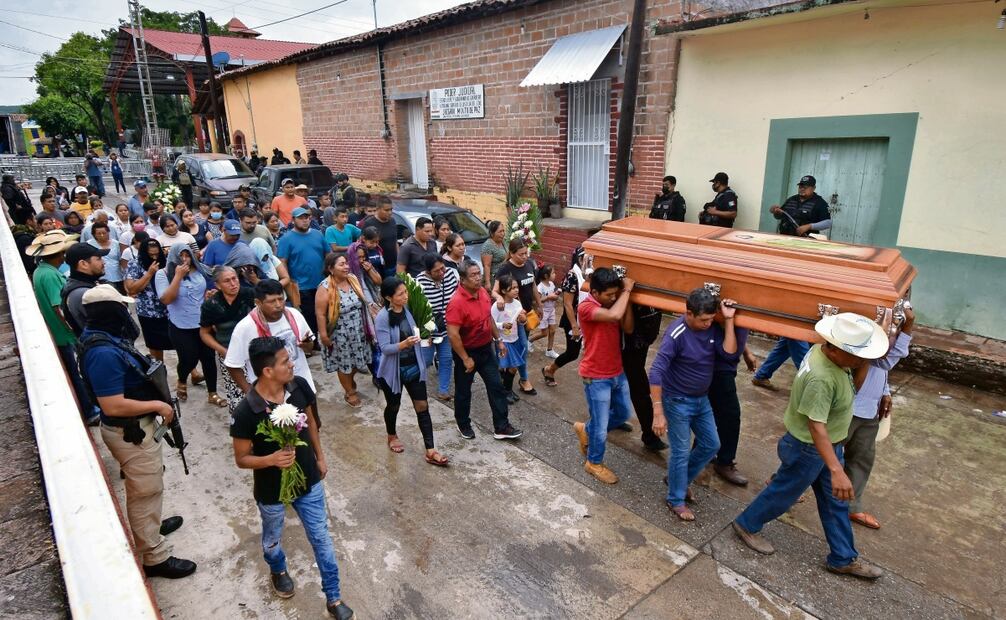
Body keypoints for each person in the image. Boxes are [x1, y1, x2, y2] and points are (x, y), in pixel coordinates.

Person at [732, 313, 888, 580]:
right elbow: (817, 427)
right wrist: (836, 469)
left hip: (825, 447)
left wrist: (868, 355)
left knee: (835, 502)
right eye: (858, 355)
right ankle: (746, 525)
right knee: (784, 494)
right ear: (838, 350)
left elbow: (854, 386)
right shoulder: (821, 379)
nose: (862, 361)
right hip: (810, 448)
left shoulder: (826, 353)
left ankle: (842, 557)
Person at [229, 336, 353, 620]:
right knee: (272, 538)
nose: (292, 364)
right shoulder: (246, 411)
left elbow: (311, 425)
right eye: (285, 361)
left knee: (321, 538)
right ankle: (277, 568)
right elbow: (241, 459)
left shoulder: (298, 387)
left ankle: (334, 598)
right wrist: (271, 460)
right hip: (272, 489)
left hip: (308, 480)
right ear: (267, 371)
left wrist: (320, 458)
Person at [78, 284, 195, 579]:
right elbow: (113, 404)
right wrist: (158, 404)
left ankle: (150, 528)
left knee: (149, 487)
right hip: (130, 432)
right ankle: (154, 556)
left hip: (136, 429)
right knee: (145, 491)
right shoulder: (102, 352)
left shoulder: (104, 339)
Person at [649, 288, 733, 521]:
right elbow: (656, 372)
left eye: (711, 319)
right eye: (704, 319)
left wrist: (728, 319)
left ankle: (679, 479)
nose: (708, 324)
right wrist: (658, 411)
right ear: (689, 313)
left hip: (701, 400)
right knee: (681, 452)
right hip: (677, 402)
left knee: (711, 444)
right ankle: (675, 499)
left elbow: (728, 353)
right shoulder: (676, 334)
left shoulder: (713, 327)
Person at [844, 304, 914, 530]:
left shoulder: (884, 325)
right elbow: (882, 359)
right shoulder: (863, 325)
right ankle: (782, 485)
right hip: (849, 408)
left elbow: (880, 369)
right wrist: (909, 327)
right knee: (815, 454)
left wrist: (885, 392)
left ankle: (851, 507)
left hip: (869, 408)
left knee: (861, 458)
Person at [569, 268, 636, 484]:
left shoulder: (613, 303)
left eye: (615, 294)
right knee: (601, 427)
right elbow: (614, 315)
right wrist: (626, 291)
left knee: (624, 413)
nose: (613, 297)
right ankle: (593, 462)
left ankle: (585, 428)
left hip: (617, 371)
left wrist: (623, 299)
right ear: (595, 292)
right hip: (596, 376)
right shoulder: (586, 307)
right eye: (609, 295)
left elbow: (627, 327)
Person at [374, 276, 450, 466]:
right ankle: (391, 435)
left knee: (422, 406)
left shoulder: (408, 310)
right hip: (394, 371)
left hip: (414, 367)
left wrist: (425, 338)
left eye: (406, 292)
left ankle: (430, 450)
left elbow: (417, 333)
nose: (405, 296)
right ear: (389, 297)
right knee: (394, 406)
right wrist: (403, 344)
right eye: (400, 294)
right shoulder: (382, 318)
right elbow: (385, 348)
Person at [445, 258, 523, 441]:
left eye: (479, 273)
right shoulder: (456, 303)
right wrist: (465, 358)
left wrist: (499, 340)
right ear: (462, 280)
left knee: (496, 386)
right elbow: (453, 335)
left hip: (486, 350)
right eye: (473, 275)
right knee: (464, 391)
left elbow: (488, 319)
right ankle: (463, 423)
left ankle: (502, 427)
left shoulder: (482, 293)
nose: (478, 278)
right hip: (467, 352)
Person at [26, 230, 98, 424]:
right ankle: (91, 411)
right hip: (65, 336)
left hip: (62, 334)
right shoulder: (49, 275)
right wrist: (75, 331)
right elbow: (59, 308)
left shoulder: (44, 271)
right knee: (78, 373)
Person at [226, 280, 316, 397]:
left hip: (303, 386)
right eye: (272, 301)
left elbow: (310, 349)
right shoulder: (245, 328)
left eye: (280, 299)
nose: (278, 305)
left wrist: (307, 344)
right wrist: (251, 393)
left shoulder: (295, 315)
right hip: (272, 395)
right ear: (258, 302)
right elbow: (233, 365)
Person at [155, 244, 219, 405]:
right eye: (180, 256)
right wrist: (177, 277)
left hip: (203, 322)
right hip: (181, 325)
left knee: (208, 358)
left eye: (187, 255)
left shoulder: (199, 270)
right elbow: (166, 299)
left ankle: (212, 393)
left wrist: (209, 296)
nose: (184, 259)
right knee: (188, 358)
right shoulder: (163, 274)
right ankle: (182, 379)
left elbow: (206, 288)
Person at [315, 252, 372, 407]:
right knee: (344, 364)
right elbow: (320, 314)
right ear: (330, 269)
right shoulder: (324, 288)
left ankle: (349, 381)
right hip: (339, 333)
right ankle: (350, 392)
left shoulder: (353, 279)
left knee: (355, 363)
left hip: (358, 329)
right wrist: (324, 335)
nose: (346, 266)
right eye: (341, 264)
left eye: (346, 263)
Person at [200, 267, 256, 411]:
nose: (233, 284)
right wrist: (222, 350)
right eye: (227, 281)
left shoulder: (249, 294)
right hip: (229, 352)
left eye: (235, 278)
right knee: (238, 394)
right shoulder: (211, 305)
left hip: (254, 351)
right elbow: (204, 333)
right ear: (218, 285)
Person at [708, 310, 751, 486]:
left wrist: (746, 350)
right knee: (730, 416)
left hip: (726, 365)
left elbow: (741, 323)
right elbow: (728, 351)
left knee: (713, 412)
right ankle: (724, 461)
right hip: (720, 365)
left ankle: (705, 451)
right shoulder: (728, 306)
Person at [491, 239, 540, 395]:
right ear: (511, 253)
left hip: (523, 314)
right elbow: (495, 290)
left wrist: (538, 304)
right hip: (509, 318)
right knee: (520, 348)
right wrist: (499, 298)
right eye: (521, 254)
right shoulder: (505, 269)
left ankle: (512, 378)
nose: (525, 257)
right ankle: (520, 379)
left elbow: (533, 286)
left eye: (526, 253)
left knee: (521, 348)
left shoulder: (530, 264)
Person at [621, 303, 668, 453]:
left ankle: (614, 416)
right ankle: (649, 436)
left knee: (624, 381)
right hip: (629, 345)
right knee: (640, 389)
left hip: (642, 341)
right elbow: (627, 328)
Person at [541, 247, 589, 388]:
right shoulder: (572, 276)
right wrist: (574, 326)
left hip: (587, 318)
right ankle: (549, 370)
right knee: (573, 353)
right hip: (573, 320)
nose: (590, 262)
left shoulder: (588, 274)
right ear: (580, 259)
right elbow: (567, 304)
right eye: (587, 259)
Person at [279, 207, 328, 337]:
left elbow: (328, 254)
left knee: (324, 312)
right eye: (301, 218)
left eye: (306, 217)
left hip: (321, 283)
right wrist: (288, 282)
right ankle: (311, 343)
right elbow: (282, 261)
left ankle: (324, 337)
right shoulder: (286, 239)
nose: (305, 220)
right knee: (308, 315)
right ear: (293, 220)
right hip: (301, 286)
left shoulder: (318, 234)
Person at [417, 254, 459, 402]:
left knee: (447, 358)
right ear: (428, 272)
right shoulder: (419, 283)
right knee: (426, 360)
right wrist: (425, 332)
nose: (442, 273)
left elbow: (458, 294)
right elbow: (417, 311)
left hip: (447, 327)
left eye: (443, 268)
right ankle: (417, 387)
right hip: (427, 330)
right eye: (437, 271)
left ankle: (443, 390)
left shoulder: (450, 276)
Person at [124, 238, 171, 361]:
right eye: (151, 255)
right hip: (148, 312)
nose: (155, 257)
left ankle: (193, 372)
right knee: (155, 346)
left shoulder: (166, 262)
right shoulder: (134, 264)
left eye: (157, 254)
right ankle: (160, 373)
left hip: (169, 310)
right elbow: (132, 290)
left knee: (180, 343)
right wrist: (149, 273)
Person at [491, 273, 528, 405]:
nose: (516, 290)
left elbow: (521, 321)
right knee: (510, 367)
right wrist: (502, 325)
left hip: (515, 339)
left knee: (510, 368)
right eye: (512, 288)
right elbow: (491, 323)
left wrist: (523, 321)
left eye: (517, 287)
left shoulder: (517, 303)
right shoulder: (497, 306)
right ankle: (505, 391)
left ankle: (507, 390)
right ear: (503, 291)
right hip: (503, 341)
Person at [61, 242, 108, 336]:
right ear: (83, 264)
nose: (103, 262)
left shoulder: (78, 285)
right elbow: (106, 327)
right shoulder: (84, 293)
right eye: (98, 259)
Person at [361, 196, 398, 277]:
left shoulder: (393, 221)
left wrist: (398, 260)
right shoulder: (369, 223)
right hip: (377, 267)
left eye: (391, 209)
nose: (390, 212)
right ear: (378, 209)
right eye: (386, 210)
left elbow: (395, 241)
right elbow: (362, 245)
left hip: (393, 265)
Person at [530, 265, 559, 358]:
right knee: (544, 333)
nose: (555, 274)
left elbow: (553, 295)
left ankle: (549, 350)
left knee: (553, 331)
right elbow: (537, 300)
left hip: (551, 311)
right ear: (546, 276)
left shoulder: (552, 284)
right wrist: (549, 297)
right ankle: (529, 340)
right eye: (553, 273)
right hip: (544, 312)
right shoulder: (540, 287)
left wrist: (556, 295)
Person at [87, 221, 124, 293]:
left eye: (104, 233)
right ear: (94, 235)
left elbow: (121, 260)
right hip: (99, 278)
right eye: (99, 233)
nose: (102, 235)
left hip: (117, 277)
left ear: (108, 232)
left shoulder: (116, 243)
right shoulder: (89, 244)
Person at [480, 220, 507, 289]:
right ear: (492, 233)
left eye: (503, 231)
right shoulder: (488, 246)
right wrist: (487, 282)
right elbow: (487, 266)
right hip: (494, 279)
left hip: (505, 276)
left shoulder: (503, 241)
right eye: (500, 232)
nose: (503, 233)